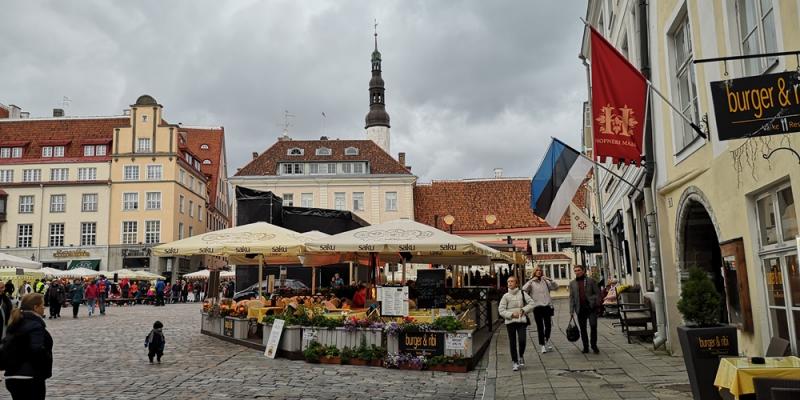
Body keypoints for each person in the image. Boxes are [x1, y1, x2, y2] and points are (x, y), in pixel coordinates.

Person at [2, 293, 53, 400]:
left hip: (12, 375)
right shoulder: (35, 325)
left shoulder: (16, 322)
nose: (44, 307)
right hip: (30, 376)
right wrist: (45, 365)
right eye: (42, 305)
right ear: (35, 307)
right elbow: (37, 350)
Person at [498, 276, 534, 371]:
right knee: (512, 342)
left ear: (516, 283)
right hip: (510, 322)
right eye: (508, 281)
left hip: (521, 321)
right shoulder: (505, 296)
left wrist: (523, 310)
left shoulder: (522, 293)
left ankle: (521, 355)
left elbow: (532, 303)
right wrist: (511, 315)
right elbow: (501, 310)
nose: (510, 283)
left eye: (512, 281)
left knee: (522, 340)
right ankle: (515, 361)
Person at [522, 266, 559, 353]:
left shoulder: (545, 281)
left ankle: (546, 339)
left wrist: (550, 279)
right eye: (537, 271)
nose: (539, 272)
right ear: (534, 272)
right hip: (537, 307)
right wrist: (531, 280)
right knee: (540, 327)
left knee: (548, 325)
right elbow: (523, 289)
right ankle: (542, 345)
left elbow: (556, 287)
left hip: (547, 306)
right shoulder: (531, 283)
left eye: (540, 270)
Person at [569, 265, 601, 354]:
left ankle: (594, 345)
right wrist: (571, 311)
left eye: (579, 270)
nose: (577, 272)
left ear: (583, 271)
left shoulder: (591, 281)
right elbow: (571, 297)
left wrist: (595, 302)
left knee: (593, 325)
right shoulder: (572, 283)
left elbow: (598, 293)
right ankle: (585, 346)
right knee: (583, 329)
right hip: (580, 309)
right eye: (575, 271)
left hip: (591, 308)